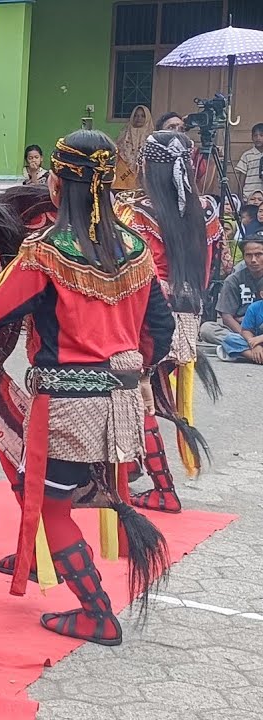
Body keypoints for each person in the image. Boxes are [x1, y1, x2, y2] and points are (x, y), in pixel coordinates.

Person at [0, 129, 174, 646]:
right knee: (66, 490)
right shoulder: (137, 249)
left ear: (57, 184)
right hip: (119, 405)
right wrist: (131, 367)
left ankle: (96, 611)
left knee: (53, 505)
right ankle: (33, 559)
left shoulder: (47, 252)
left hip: (66, 407)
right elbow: (158, 331)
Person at [114, 130, 222, 511]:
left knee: (139, 398)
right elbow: (211, 271)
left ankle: (157, 484)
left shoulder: (135, 214)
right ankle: (143, 474)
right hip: (188, 319)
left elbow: (132, 272)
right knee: (152, 396)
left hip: (148, 319)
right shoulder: (206, 210)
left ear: (147, 167)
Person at [201, 235, 263, 346]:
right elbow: (227, 317)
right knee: (207, 329)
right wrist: (249, 339)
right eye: (248, 255)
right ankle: (248, 348)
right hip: (241, 331)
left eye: (258, 255)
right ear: (243, 256)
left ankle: (241, 350)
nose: (253, 260)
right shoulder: (233, 280)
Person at [113, 105, 152, 191]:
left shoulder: (151, 136)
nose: (139, 118)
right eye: (136, 115)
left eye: (143, 116)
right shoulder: (124, 133)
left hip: (143, 174)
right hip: (124, 172)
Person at [235, 122, 263, 201]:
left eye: (261, 135)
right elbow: (241, 179)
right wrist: (240, 198)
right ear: (252, 137)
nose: (258, 138)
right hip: (248, 196)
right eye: (255, 136)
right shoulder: (247, 155)